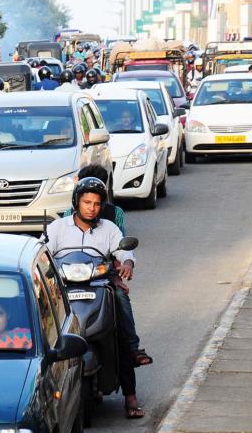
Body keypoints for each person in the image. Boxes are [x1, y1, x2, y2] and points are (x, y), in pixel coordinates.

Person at [43, 177, 147, 419]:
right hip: (65, 286)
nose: (91, 207)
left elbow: (124, 250)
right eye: (86, 202)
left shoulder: (109, 229)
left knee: (119, 300)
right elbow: (43, 251)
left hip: (100, 283)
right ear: (76, 203)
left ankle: (131, 386)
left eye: (97, 203)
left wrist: (128, 264)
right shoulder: (57, 228)